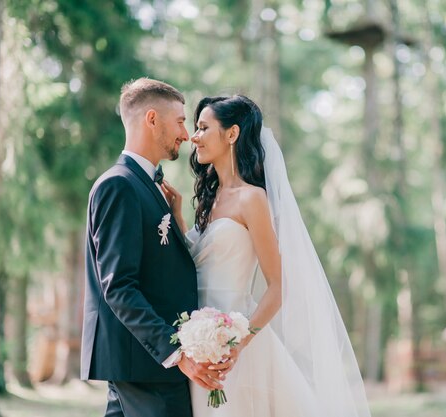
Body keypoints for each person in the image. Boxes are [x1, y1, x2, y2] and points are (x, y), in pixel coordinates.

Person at [163, 95, 371, 416]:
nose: (194, 136)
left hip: (238, 343)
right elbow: (195, 262)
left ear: (231, 134)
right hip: (199, 345)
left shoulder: (252, 199)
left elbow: (278, 286)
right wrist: (177, 215)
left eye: (203, 128)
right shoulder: (208, 199)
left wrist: (238, 344)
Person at [81, 78, 231, 417]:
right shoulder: (120, 185)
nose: (185, 133)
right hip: (147, 364)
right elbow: (118, 286)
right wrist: (176, 352)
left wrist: (177, 221)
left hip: (143, 365)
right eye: (180, 121)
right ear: (151, 119)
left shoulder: (148, 186)